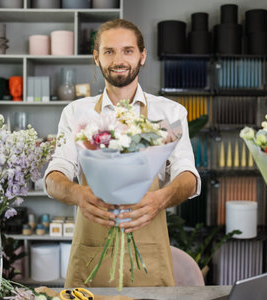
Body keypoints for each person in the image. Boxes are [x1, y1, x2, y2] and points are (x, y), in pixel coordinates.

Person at [44, 18, 201, 288]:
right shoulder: (75, 113)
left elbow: (188, 176)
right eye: (109, 51)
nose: (119, 59)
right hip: (92, 253)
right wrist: (77, 193)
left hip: (149, 253)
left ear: (142, 56)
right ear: (96, 58)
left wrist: (160, 199)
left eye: (128, 50)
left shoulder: (170, 113)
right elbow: (55, 175)